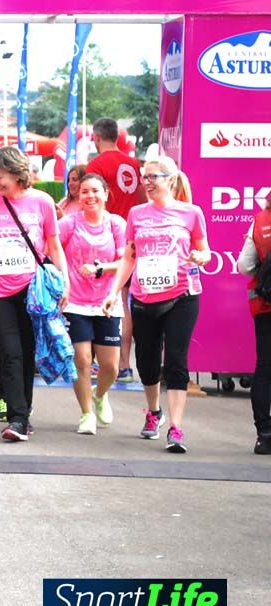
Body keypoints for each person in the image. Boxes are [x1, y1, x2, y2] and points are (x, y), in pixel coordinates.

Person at [103, 156, 210, 453]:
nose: (147, 183)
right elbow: (129, 256)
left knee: (175, 361)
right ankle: (154, 412)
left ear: (170, 179)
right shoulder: (137, 214)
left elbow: (205, 250)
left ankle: (176, 428)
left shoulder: (191, 213)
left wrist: (200, 257)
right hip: (144, 296)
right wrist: (113, 292)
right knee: (147, 364)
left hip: (182, 295)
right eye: (144, 177)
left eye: (153, 177)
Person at [0, 146, 68, 442]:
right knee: (8, 352)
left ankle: (23, 412)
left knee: (25, 352)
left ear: (16, 172)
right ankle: (18, 418)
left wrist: (64, 283)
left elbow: (54, 245)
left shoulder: (42, 202)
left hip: (32, 289)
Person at [58, 173, 125, 435]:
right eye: (84, 191)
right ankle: (86, 413)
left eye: (95, 191)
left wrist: (101, 269)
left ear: (106, 194)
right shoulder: (69, 223)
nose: (90, 196)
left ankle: (100, 395)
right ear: (78, 195)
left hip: (107, 302)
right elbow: (50, 247)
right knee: (82, 359)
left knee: (111, 366)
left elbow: (126, 262)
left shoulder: (116, 224)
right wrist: (60, 278)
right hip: (75, 303)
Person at [87, 117, 146, 384]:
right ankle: (124, 364)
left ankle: (106, 361)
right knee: (126, 304)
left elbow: (92, 201)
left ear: (97, 138)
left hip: (107, 237)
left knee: (103, 300)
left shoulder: (97, 164)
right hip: (132, 238)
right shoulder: (133, 163)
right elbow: (143, 199)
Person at [236, 194, 271, 455]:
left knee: (265, 369)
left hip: (265, 306)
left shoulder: (260, 222)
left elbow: (244, 265)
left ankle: (265, 435)